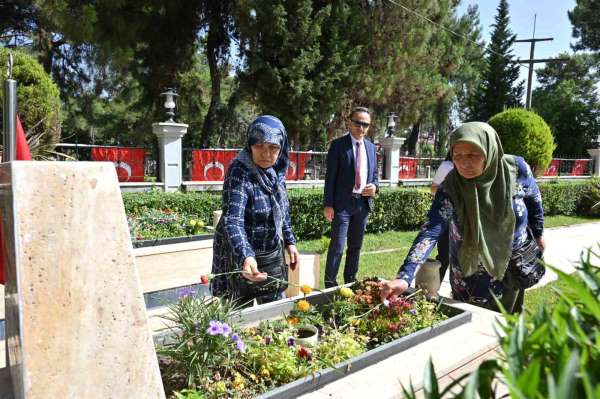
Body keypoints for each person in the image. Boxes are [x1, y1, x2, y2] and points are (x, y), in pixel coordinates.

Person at [380, 122, 545, 313]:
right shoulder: (451, 187)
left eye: (472, 155)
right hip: (469, 274)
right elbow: (431, 230)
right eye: (457, 156)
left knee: (507, 326)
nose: (463, 163)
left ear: (489, 151)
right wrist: (405, 276)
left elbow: (534, 202)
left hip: (513, 265)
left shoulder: (517, 170)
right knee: (471, 326)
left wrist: (539, 233)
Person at [211, 115, 300, 305]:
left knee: (273, 312)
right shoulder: (239, 171)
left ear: (282, 148)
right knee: (238, 316)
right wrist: (246, 255)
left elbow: (282, 211)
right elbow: (232, 220)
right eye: (259, 146)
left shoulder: (276, 173)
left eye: (273, 148)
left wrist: (290, 241)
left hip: (269, 256)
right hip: (240, 255)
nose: (266, 154)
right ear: (250, 144)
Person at [323, 107, 379, 288]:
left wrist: (375, 187)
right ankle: (330, 285)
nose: (361, 128)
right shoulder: (338, 145)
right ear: (350, 122)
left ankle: (350, 282)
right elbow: (330, 177)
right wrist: (328, 204)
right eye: (358, 123)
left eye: (365, 124)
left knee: (355, 247)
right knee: (337, 247)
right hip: (342, 206)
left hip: (362, 205)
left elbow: (375, 175)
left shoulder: (371, 147)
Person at [430, 154, 454, 282]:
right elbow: (433, 188)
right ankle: (436, 286)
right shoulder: (447, 166)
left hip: (467, 220)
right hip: (447, 218)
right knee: (445, 256)